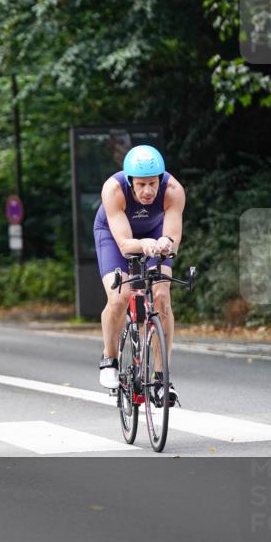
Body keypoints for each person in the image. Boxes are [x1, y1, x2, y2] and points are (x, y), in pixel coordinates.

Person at [94, 145, 185, 405]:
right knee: (120, 297)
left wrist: (166, 244)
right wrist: (143, 244)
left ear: (161, 179)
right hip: (113, 235)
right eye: (142, 184)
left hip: (154, 232)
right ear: (130, 181)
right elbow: (124, 245)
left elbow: (172, 238)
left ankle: (160, 380)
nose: (148, 191)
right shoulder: (113, 190)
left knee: (162, 296)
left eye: (153, 184)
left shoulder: (173, 191)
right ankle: (109, 358)